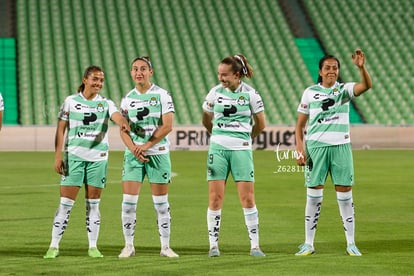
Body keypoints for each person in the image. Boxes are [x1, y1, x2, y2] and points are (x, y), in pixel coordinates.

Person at [43, 65, 130, 259]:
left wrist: (123, 122)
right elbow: (60, 129)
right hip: (73, 158)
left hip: (98, 160)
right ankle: (54, 246)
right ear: (85, 80)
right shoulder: (70, 102)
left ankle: (92, 247)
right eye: (95, 79)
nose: (98, 83)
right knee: (65, 204)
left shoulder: (106, 103)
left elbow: (116, 116)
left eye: (101, 80)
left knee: (93, 205)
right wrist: (58, 155)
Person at [295, 49, 372, 256]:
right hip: (316, 148)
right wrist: (299, 149)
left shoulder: (344, 90)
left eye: (335, 68)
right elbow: (299, 125)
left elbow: (366, 86)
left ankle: (351, 243)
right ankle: (308, 243)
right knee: (313, 196)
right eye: (327, 68)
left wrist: (361, 67)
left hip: (341, 147)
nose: (331, 71)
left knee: (345, 194)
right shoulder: (310, 92)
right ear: (320, 71)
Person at [202, 54, 266, 257]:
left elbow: (261, 124)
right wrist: (217, 136)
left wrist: (246, 139)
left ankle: (255, 246)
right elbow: (206, 119)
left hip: (241, 150)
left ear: (237, 74)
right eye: (219, 74)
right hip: (218, 150)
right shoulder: (214, 93)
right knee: (215, 198)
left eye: (225, 75)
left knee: (247, 198)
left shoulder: (251, 94)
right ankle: (213, 245)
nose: (221, 78)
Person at [117, 56, 178, 258]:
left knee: (161, 204)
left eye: (143, 68)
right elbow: (123, 130)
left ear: (150, 72)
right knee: (128, 203)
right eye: (134, 69)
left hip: (158, 154)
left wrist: (147, 145)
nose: (138, 72)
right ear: (131, 72)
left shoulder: (162, 95)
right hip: (133, 156)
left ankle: (165, 247)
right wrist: (135, 148)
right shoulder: (127, 98)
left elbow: (167, 125)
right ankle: (128, 246)